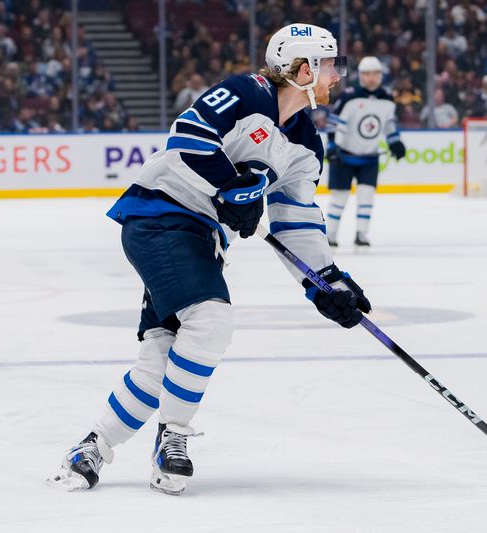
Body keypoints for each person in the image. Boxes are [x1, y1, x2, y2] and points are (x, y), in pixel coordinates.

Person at [48, 23, 370, 497]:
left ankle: (92, 447)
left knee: (163, 352)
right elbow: (188, 136)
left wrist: (325, 280)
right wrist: (231, 185)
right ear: (302, 69)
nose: (337, 75)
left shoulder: (305, 144)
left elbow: (296, 218)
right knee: (211, 321)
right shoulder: (244, 92)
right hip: (160, 216)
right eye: (330, 65)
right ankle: (173, 437)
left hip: (202, 238)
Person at [324, 56, 405, 248]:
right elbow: (334, 124)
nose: (371, 78)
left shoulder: (387, 98)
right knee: (339, 197)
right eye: (367, 74)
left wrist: (395, 142)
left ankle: (362, 234)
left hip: (370, 158)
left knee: (367, 196)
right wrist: (332, 147)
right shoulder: (348, 96)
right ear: (360, 75)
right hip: (344, 156)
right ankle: (331, 235)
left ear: (381, 75)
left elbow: (388, 124)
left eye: (375, 73)